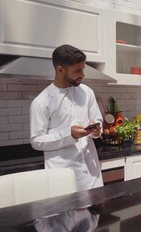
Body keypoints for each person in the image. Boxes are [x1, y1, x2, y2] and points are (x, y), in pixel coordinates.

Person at [30, 44, 103, 191]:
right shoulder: (41, 101)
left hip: (92, 176)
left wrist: (96, 131)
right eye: (77, 70)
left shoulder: (87, 92)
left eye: (83, 69)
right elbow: (36, 141)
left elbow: (97, 121)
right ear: (60, 69)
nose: (82, 74)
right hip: (62, 179)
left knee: (97, 213)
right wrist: (68, 134)